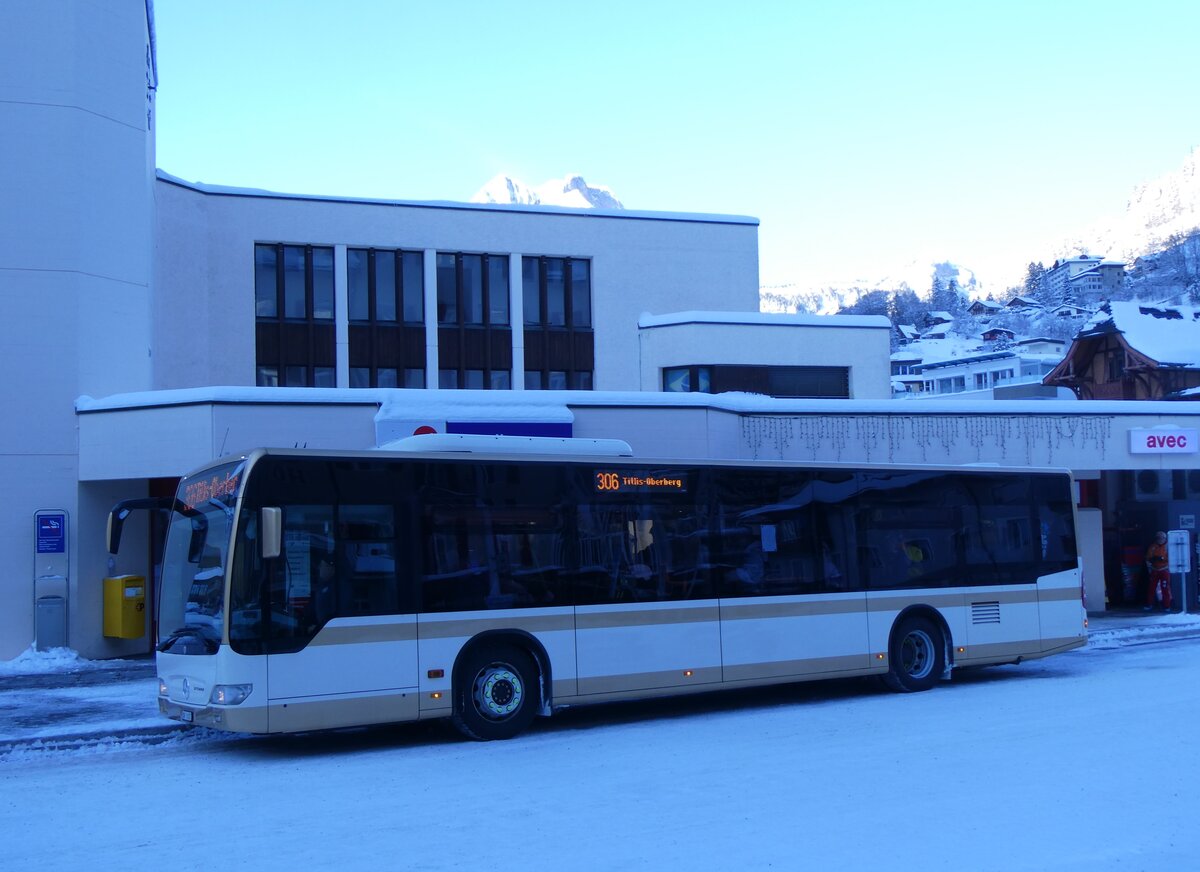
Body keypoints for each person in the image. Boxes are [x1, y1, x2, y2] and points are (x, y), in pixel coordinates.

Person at [1144, 531, 1172, 611]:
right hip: (1154, 570)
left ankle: (1167, 606)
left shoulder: (1168, 547)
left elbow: (1172, 558)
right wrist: (1152, 560)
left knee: (1165, 588)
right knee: (1151, 588)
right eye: (1158, 538)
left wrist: (1163, 559)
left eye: (1162, 538)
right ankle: (1149, 604)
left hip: (1164, 570)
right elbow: (1148, 557)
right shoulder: (1152, 547)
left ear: (1165, 538)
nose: (1160, 539)